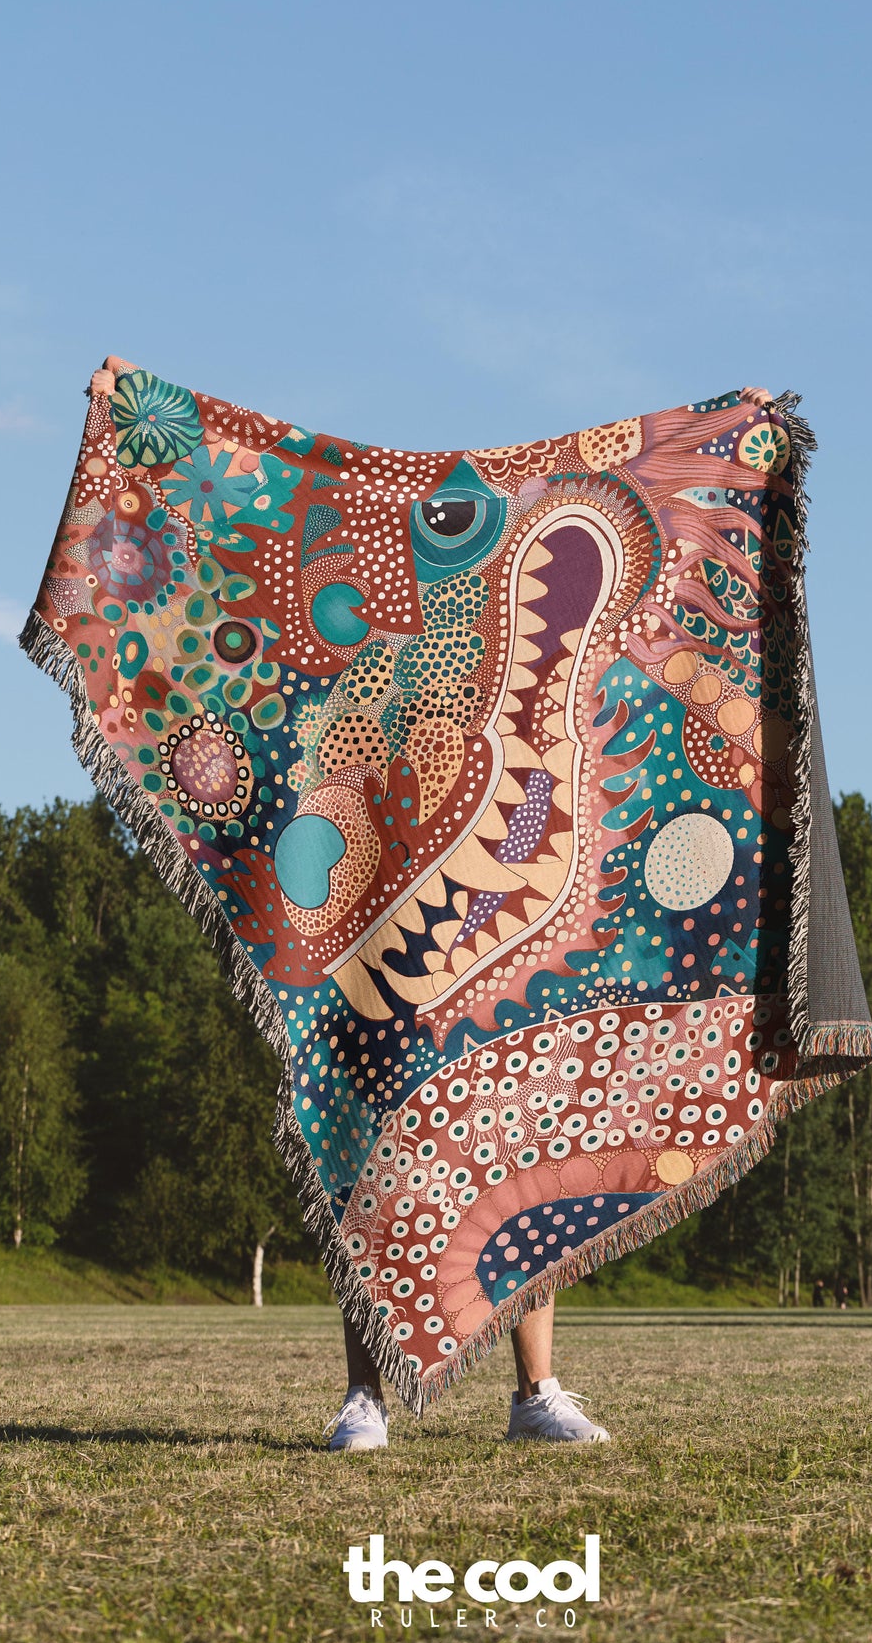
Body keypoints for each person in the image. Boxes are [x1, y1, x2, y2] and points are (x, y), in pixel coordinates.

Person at [324, 383, 778, 1453]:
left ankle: (535, 1394)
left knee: (521, 1139)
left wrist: (740, 432)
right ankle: (366, 1398)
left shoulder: (552, 670)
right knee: (375, 1162)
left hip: (517, 937)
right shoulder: (394, 660)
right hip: (390, 935)